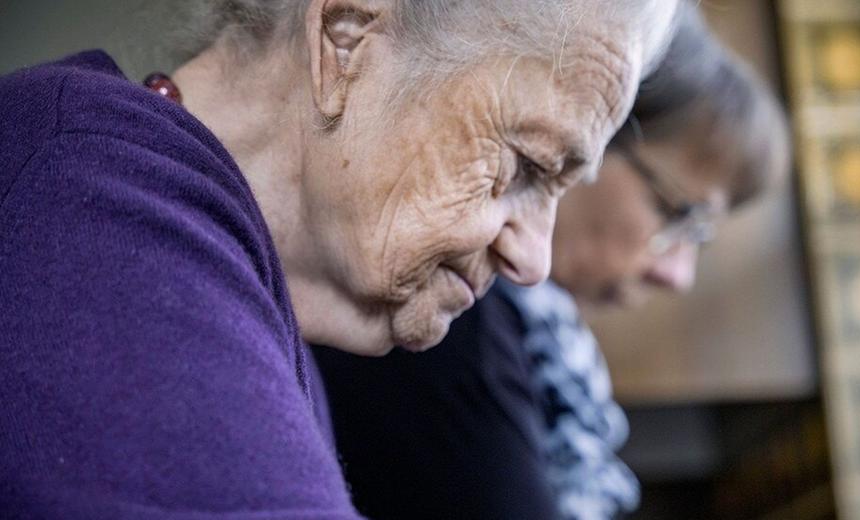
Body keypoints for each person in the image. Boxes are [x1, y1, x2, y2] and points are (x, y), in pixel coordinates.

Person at [0, 0, 681, 517]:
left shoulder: (252, 295)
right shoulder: (87, 201)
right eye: (525, 165)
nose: (534, 260)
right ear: (345, 39)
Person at [313, 4, 791, 519]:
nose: (678, 275)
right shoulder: (453, 320)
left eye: (700, 237)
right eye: (677, 214)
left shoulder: (537, 351)